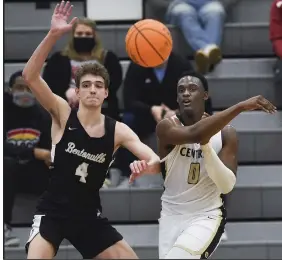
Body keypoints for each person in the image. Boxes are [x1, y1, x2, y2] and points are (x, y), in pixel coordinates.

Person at [22, 2, 160, 259]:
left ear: (107, 92)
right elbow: (30, 76)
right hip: (52, 211)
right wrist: (53, 35)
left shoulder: (117, 130)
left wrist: (149, 165)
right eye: (86, 85)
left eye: (98, 85)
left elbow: (153, 158)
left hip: (87, 215)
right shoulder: (63, 112)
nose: (93, 89)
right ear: (78, 90)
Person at [129, 71, 276, 259]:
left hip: (207, 215)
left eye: (192, 88)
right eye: (181, 90)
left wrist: (206, 148)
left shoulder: (226, 133)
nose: (186, 93)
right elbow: (195, 135)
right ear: (176, 97)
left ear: (205, 95)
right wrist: (239, 107)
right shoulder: (166, 127)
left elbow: (226, 186)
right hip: (170, 215)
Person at [4, 71, 51, 247]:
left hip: (31, 174)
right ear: (10, 90)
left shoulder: (43, 115)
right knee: (5, 164)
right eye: (20, 88)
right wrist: (34, 153)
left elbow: (48, 148)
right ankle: (4, 228)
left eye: (29, 88)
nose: (25, 92)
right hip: (6, 174)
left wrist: (51, 157)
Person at [43, 16, 122, 120]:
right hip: (67, 111)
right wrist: (65, 92)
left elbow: (114, 84)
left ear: (95, 36)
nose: (83, 37)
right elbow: (48, 85)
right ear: (73, 36)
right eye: (79, 34)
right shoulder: (58, 59)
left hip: (102, 112)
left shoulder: (108, 58)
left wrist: (85, 93)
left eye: (88, 34)